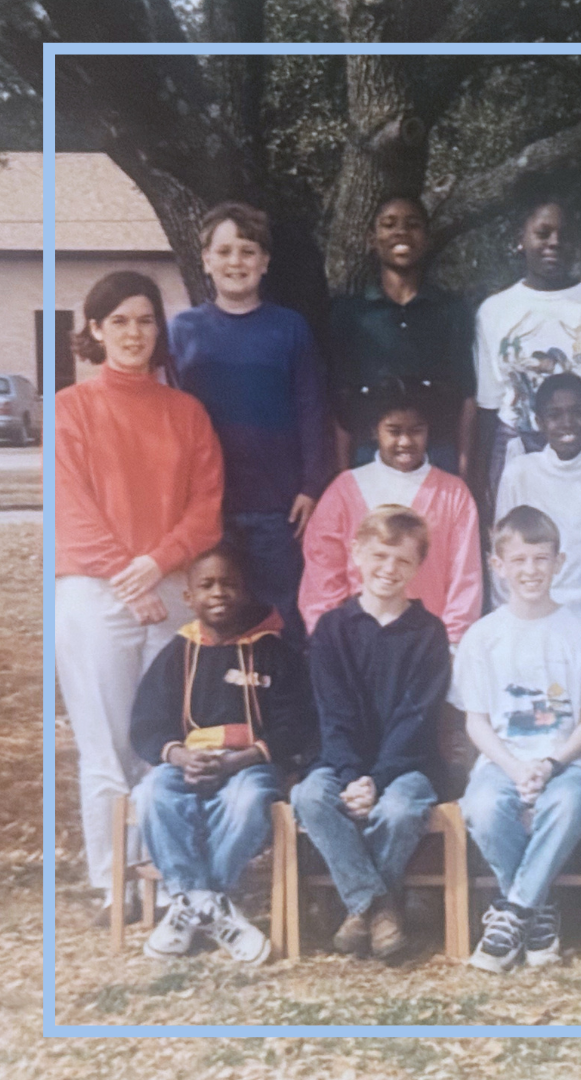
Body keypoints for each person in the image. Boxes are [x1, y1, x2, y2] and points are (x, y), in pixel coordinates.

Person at [55, 270, 225, 924]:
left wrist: (157, 565)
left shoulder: (187, 413)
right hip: (96, 596)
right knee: (105, 745)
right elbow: (72, 506)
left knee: (166, 744)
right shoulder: (74, 407)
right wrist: (130, 577)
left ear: (160, 332)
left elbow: (206, 510)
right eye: (119, 320)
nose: (133, 333)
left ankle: (168, 875)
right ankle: (114, 887)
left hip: (169, 590)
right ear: (95, 329)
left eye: (145, 321)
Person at [451, 506, 581, 972]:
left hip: (568, 763)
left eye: (541, 559)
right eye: (520, 560)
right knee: (482, 807)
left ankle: (513, 913)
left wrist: (548, 766)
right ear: (498, 565)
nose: (531, 571)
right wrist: (515, 769)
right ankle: (537, 913)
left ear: (559, 562)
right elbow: (477, 723)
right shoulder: (482, 637)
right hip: (502, 763)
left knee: (565, 805)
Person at [130, 545, 317, 964]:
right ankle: (205, 901)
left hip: (248, 764)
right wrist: (178, 757)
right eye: (207, 585)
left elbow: (298, 724)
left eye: (229, 584)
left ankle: (196, 903)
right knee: (152, 793)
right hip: (188, 765)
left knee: (250, 800)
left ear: (247, 591)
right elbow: (147, 723)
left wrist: (241, 759)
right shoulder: (178, 653)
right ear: (188, 598)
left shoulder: (274, 651)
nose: (218, 593)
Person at [290, 507, 454, 961]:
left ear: (418, 567)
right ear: (357, 553)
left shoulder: (429, 633)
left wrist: (376, 781)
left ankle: (359, 912)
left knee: (402, 809)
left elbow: (415, 718)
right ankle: (379, 905)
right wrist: (351, 777)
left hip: (408, 766)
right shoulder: (332, 629)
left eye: (403, 561)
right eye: (380, 555)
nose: (389, 569)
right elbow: (334, 713)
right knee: (309, 798)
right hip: (339, 763)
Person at [169, 201, 331, 648]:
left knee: (283, 615)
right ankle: (226, 711)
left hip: (278, 506)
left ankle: (288, 712)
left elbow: (312, 407)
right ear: (205, 260)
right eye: (224, 252)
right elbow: (169, 420)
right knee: (219, 617)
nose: (235, 262)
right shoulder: (183, 331)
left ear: (264, 262)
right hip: (209, 507)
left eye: (247, 251)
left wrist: (312, 484)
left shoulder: (289, 328)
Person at [471, 195, 581, 507]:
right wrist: (480, 484)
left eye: (564, 236)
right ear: (521, 240)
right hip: (519, 456)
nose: (554, 242)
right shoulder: (494, 311)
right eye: (543, 233)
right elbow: (487, 409)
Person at [298, 389, 482, 647]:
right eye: (394, 431)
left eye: (415, 430)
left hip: (427, 643)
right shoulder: (344, 489)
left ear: (428, 431)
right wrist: (329, 639)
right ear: (375, 431)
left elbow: (465, 575)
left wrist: (452, 643)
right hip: (355, 641)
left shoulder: (453, 493)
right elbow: (322, 573)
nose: (405, 441)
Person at [494, 372, 581, 669]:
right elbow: (504, 554)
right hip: (535, 631)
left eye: (578, 412)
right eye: (555, 415)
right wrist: (511, 620)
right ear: (539, 421)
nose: (567, 423)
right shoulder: (520, 473)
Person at [329, 194, 476, 475]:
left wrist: (465, 468)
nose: (401, 232)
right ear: (372, 238)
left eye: (412, 224)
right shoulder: (350, 314)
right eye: (389, 224)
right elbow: (340, 400)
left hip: (438, 454)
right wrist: (342, 474)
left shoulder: (450, 310)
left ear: (427, 238)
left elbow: (466, 396)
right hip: (369, 456)